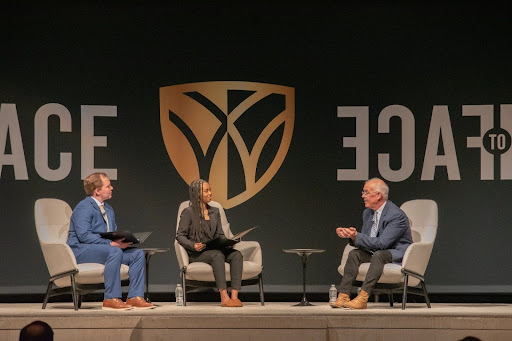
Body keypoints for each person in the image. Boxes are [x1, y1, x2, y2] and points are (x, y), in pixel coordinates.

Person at [67, 172, 156, 310]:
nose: (112, 188)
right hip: (81, 251)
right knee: (114, 251)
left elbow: (110, 233)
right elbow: (84, 236)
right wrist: (111, 244)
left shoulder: (108, 209)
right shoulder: (84, 207)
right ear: (97, 191)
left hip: (104, 250)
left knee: (137, 254)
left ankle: (134, 297)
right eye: (108, 186)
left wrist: (122, 240)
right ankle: (111, 298)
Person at [333, 177, 412, 309]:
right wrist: (352, 236)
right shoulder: (368, 213)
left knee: (379, 255)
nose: (363, 196)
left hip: (396, 253)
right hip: (378, 252)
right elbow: (368, 241)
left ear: (378, 195)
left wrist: (357, 236)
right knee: (354, 254)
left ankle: (363, 297)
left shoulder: (396, 215)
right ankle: (343, 295)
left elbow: (382, 244)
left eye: (366, 192)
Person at [176, 179, 244, 307]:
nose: (210, 193)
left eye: (210, 190)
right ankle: (224, 297)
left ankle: (234, 297)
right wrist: (193, 245)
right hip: (198, 252)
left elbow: (219, 234)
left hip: (214, 249)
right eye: (206, 191)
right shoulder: (188, 212)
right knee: (217, 255)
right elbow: (180, 236)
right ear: (197, 194)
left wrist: (228, 242)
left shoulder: (215, 211)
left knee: (236, 255)